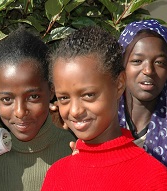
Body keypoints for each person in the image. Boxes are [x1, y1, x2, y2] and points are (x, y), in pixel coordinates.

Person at [41, 26, 167, 190]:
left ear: (119, 84)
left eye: (88, 95)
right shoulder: (56, 175)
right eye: (64, 98)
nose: (75, 111)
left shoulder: (153, 178)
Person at [0, 28, 76, 191]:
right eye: (7, 99)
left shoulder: (73, 149)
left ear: (51, 90)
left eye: (33, 97)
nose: (19, 112)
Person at [118, 19, 167, 166]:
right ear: (122, 65)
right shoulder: (101, 120)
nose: (148, 70)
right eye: (137, 61)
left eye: (159, 62)